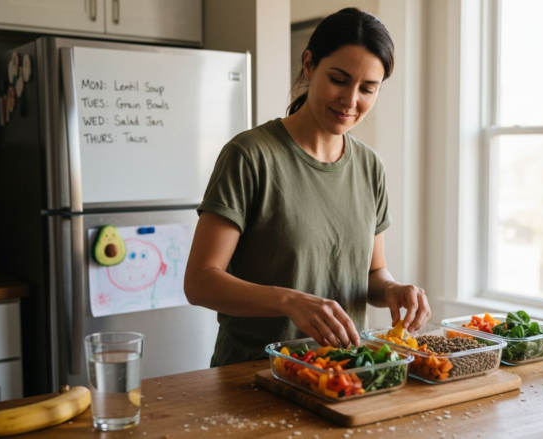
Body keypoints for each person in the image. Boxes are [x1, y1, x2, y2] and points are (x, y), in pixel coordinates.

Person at [184, 7, 430, 367]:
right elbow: (200, 282)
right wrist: (289, 301)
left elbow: (372, 273)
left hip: (342, 375)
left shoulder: (369, 166)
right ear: (309, 65)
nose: (350, 101)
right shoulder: (249, 156)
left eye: (367, 88)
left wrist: (393, 290)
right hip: (253, 377)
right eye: (339, 79)